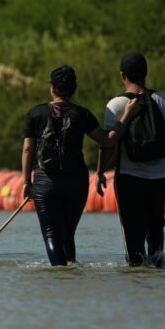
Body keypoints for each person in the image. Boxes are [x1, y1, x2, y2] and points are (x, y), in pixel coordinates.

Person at [22, 65, 138, 266]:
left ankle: (59, 273)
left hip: (45, 182)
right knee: (68, 233)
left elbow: (27, 149)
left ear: (52, 88)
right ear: (74, 89)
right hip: (76, 182)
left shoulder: (35, 114)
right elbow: (108, 140)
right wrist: (126, 114)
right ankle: (70, 274)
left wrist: (26, 181)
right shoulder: (82, 114)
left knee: (52, 233)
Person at [96, 53, 165, 267]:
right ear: (146, 74)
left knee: (132, 236)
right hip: (157, 178)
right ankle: (157, 267)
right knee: (156, 231)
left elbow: (108, 144)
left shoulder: (117, 104)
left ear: (122, 75)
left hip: (129, 179)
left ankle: (137, 275)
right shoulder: (164, 100)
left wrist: (100, 172)